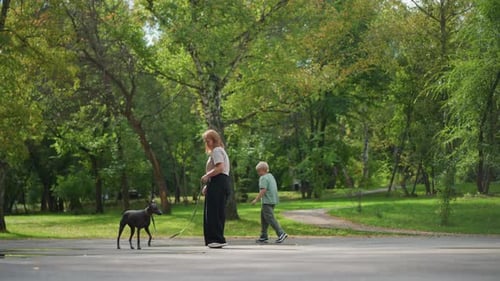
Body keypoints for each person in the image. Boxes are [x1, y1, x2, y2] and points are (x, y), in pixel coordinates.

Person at [201, 129, 231, 248]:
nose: (207, 143)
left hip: (219, 182)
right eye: (206, 141)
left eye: (208, 141)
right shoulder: (220, 151)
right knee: (217, 211)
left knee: (213, 212)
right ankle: (218, 238)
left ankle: (215, 239)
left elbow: (220, 168)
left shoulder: (217, 151)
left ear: (214, 140)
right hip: (219, 182)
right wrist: (208, 185)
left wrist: (207, 176)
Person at [251, 161, 288, 244]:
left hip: (266, 201)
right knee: (264, 218)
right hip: (273, 200)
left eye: (258, 171)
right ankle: (263, 236)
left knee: (270, 218)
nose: (258, 173)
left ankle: (281, 233)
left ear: (262, 170)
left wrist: (256, 199)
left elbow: (263, 190)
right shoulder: (271, 176)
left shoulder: (263, 178)